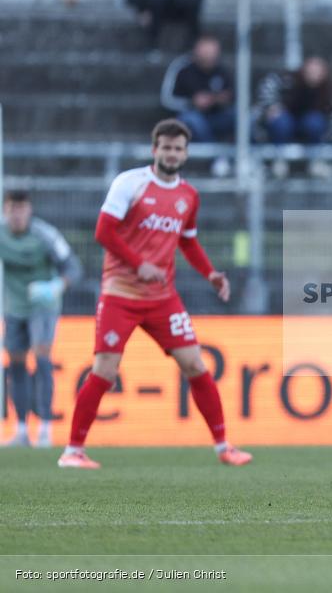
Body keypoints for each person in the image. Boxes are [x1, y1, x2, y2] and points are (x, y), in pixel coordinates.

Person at [57, 119, 252, 469]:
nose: (172, 154)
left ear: (185, 153)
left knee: (195, 364)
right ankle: (73, 451)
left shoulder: (188, 195)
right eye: (166, 147)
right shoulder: (130, 184)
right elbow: (104, 231)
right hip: (120, 293)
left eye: (178, 149)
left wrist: (210, 274)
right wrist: (139, 263)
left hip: (162, 298)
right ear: (155, 149)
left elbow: (188, 241)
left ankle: (224, 446)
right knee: (105, 370)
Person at [0, 191, 82, 448]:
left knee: (42, 358)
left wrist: (57, 285)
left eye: (21, 209)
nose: (17, 214)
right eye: (12, 209)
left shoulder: (45, 235)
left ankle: (45, 429)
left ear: (29, 210)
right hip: (14, 306)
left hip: (43, 305)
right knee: (15, 365)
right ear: (5, 210)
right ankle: (22, 429)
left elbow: (73, 267)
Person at [161, 35, 235, 175]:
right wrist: (192, 102)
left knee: (241, 117)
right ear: (197, 52)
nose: (209, 59)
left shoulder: (222, 70)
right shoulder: (182, 69)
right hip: (189, 119)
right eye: (205, 55)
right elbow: (167, 100)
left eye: (212, 56)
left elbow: (233, 95)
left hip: (216, 116)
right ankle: (216, 158)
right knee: (192, 119)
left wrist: (220, 99)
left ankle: (251, 159)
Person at [125, 0, 205, 57]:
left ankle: (194, 47)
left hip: (184, 3)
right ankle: (151, 48)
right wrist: (140, 8)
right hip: (153, 5)